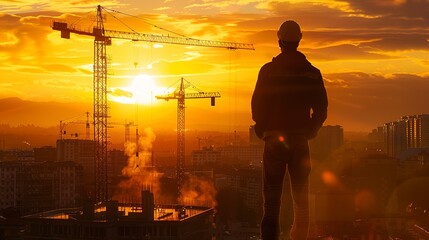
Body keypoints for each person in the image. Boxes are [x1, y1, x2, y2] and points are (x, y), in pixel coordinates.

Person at [251, 20, 328, 240]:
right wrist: (310, 131)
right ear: (299, 39)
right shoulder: (312, 73)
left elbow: (257, 106)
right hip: (299, 141)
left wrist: (263, 128)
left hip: (274, 140)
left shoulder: (268, 72)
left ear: (279, 41)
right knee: (301, 202)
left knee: (272, 203)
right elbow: (321, 110)